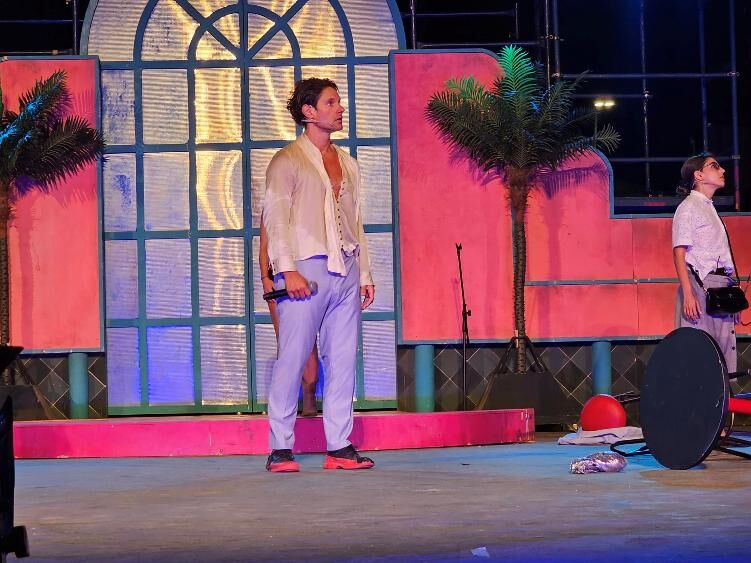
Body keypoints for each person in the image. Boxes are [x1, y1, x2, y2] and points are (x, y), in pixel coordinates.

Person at [262, 77, 376, 472]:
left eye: (338, 102)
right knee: (293, 357)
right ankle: (280, 448)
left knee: (342, 359)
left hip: (345, 267)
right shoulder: (287, 160)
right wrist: (286, 270)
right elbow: (275, 218)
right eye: (330, 103)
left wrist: (364, 274)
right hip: (305, 269)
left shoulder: (348, 162)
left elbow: (356, 222)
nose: (339, 108)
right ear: (309, 112)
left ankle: (339, 446)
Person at [672, 152, 737, 372]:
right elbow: (679, 252)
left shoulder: (709, 207)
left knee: (724, 354)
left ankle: (724, 394)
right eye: (714, 166)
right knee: (701, 352)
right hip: (701, 286)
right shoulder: (689, 207)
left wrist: (732, 294)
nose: (722, 170)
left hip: (721, 287)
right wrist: (688, 293)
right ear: (698, 175)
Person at [259, 220, 319, 416]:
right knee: (285, 341)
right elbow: (264, 245)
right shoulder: (271, 208)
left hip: (303, 275)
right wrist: (265, 278)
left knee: (307, 338)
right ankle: (286, 400)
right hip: (278, 280)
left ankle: (309, 393)